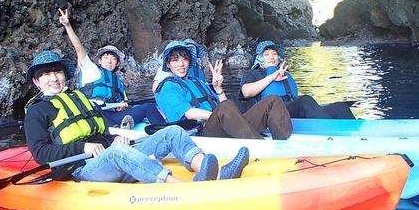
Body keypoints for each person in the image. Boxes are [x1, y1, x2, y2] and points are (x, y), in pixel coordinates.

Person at [23, 50, 250, 183]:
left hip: (110, 157)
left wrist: (115, 139)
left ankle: (215, 173)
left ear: (64, 75)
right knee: (119, 152)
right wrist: (83, 147)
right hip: (82, 169)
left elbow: (102, 130)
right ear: (36, 81)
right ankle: (181, 187)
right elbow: (41, 154)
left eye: (57, 72)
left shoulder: (79, 97)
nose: (53, 78)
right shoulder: (37, 111)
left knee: (171, 131)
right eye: (46, 75)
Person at [154, 40, 293, 140]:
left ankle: (282, 142)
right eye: (175, 61)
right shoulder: (168, 87)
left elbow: (224, 105)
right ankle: (259, 144)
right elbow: (189, 113)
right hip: (203, 132)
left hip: (226, 124)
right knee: (226, 107)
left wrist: (218, 88)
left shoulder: (197, 82)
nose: (181, 64)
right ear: (168, 64)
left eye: (184, 60)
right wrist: (219, 116)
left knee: (273, 100)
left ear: (189, 62)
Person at [58, 8, 165, 129]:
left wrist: (123, 107)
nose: (109, 61)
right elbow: (79, 48)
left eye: (113, 59)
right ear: (99, 60)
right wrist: (67, 25)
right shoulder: (91, 70)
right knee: (100, 111)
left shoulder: (118, 82)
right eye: (106, 57)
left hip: (113, 116)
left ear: (117, 63)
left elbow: (123, 104)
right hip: (93, 114)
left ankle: (166, 133)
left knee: (149, 107)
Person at [240, 40, 356, 119]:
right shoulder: (252, 74)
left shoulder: (284, 74)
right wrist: (272, 77)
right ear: (259, 58)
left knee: (340, 107)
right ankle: (332, 129)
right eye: (266, 54)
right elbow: (247, 92)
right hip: (271, 112)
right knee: (305, 101)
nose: (271, 57)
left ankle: (356, 132)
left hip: (291, 108)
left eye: (274, 54)